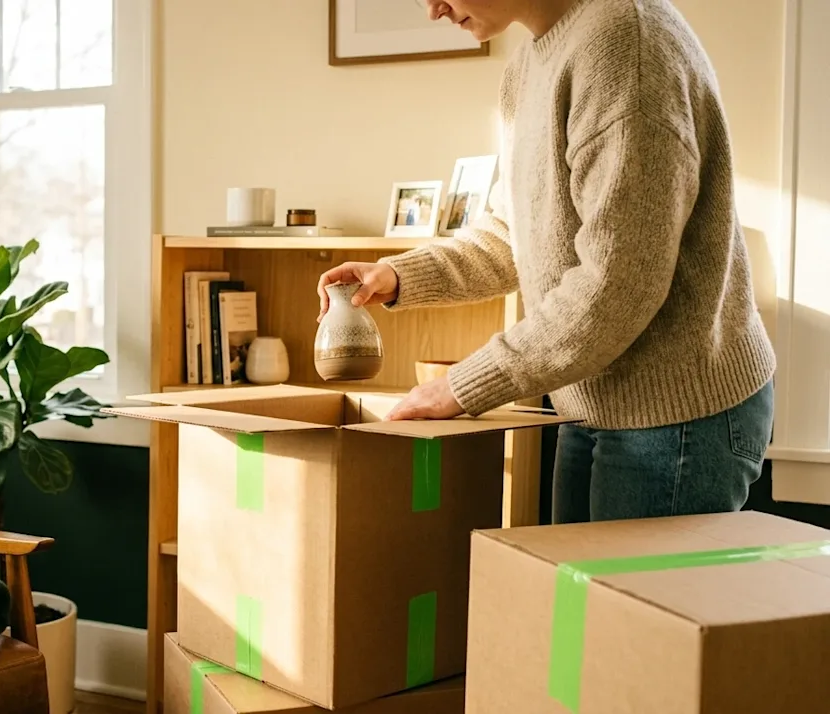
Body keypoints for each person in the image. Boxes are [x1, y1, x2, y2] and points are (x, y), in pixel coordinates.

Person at [317, 0, 775, 524]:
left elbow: (617, 285)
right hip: (590, 398)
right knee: (570, 582)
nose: (432, 10)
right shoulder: (528, 66)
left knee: (611, 583)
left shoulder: (627, 46)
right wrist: (400, 275)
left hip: (677, 415)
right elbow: (515, 231)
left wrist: (462, 386)